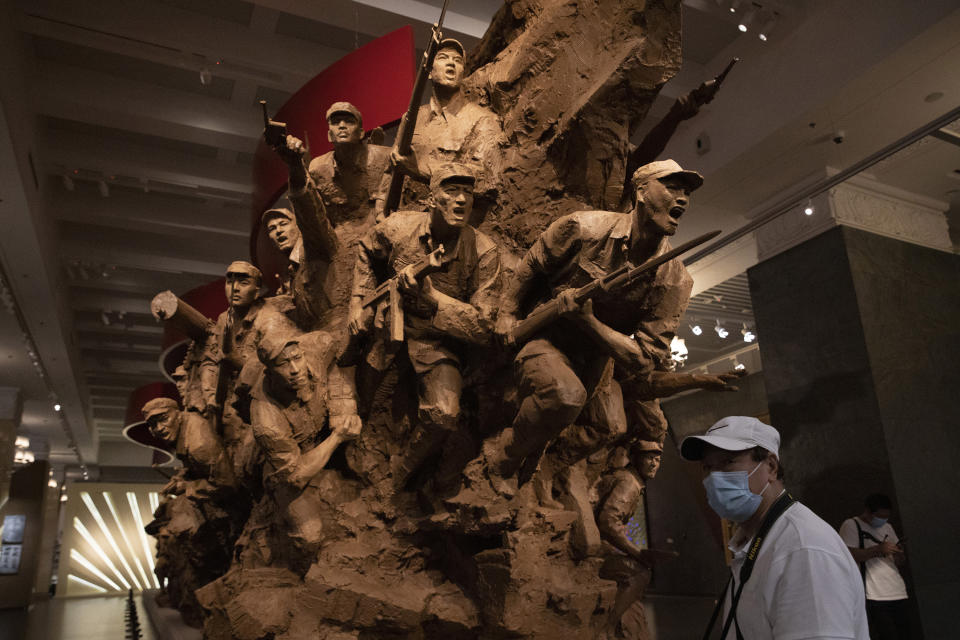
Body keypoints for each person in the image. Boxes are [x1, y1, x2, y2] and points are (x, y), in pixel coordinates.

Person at [483, 160, 740, 495]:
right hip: (546, 336)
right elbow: (536, 260)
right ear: (642, 191)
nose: (683, 199)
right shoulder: (585, 228)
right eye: (672, 187)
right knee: (565, 396)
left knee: (602, 423)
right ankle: (504, 456)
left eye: (686, 192)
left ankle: (537, 463)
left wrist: (588, 320)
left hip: (597, 362)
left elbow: (643, 359)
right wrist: (508, 311)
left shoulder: (675, 278)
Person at [349, 162, 501, 488]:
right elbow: (365, 249)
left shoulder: (484, 252)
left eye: (467, 193)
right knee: (369, 365)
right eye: (452, 190)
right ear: (432, 199)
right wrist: (357, 303)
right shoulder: (400, 227)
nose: (461, 200)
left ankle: (404, 471)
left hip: (437, 341)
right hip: (391, 321)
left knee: (445, 415)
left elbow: (484, 325)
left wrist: (434, 301)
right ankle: (358, 418)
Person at [680, 416, 869, 639]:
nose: (714, 477)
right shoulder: (757, 539)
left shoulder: (803, 548)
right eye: (708, 467)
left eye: (728, 462)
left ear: (770, 467)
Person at [390, 38, 504, 204]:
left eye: (457, 61)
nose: (451, 64)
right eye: (443, 58)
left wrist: (420, 170)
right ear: (429, 71)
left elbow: (485, 180)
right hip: (403, 219)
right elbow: (390, 170)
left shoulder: (483, 120)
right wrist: (380, 210)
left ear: (462, 73)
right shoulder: (411, 119)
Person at [595, 440, 665, 640]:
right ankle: (606, 629)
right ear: (635, 459)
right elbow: (608, 522)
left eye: (658, 459)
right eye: (649, 458)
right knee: (640, 574)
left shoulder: (628, 479)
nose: (654, 464)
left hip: (601, 544)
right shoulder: (629, 483)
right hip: (592, 549)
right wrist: (637, 552)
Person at [839, 494, 910, 639]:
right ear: (868, 511)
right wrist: (878, 550)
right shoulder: (852, 525)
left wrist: (898, 554)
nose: (882, 521)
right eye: (879, 517)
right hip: (873, 594)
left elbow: (900, 561)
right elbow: (848, 556)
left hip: (897, 589)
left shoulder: (888, 527)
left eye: (886, 517)